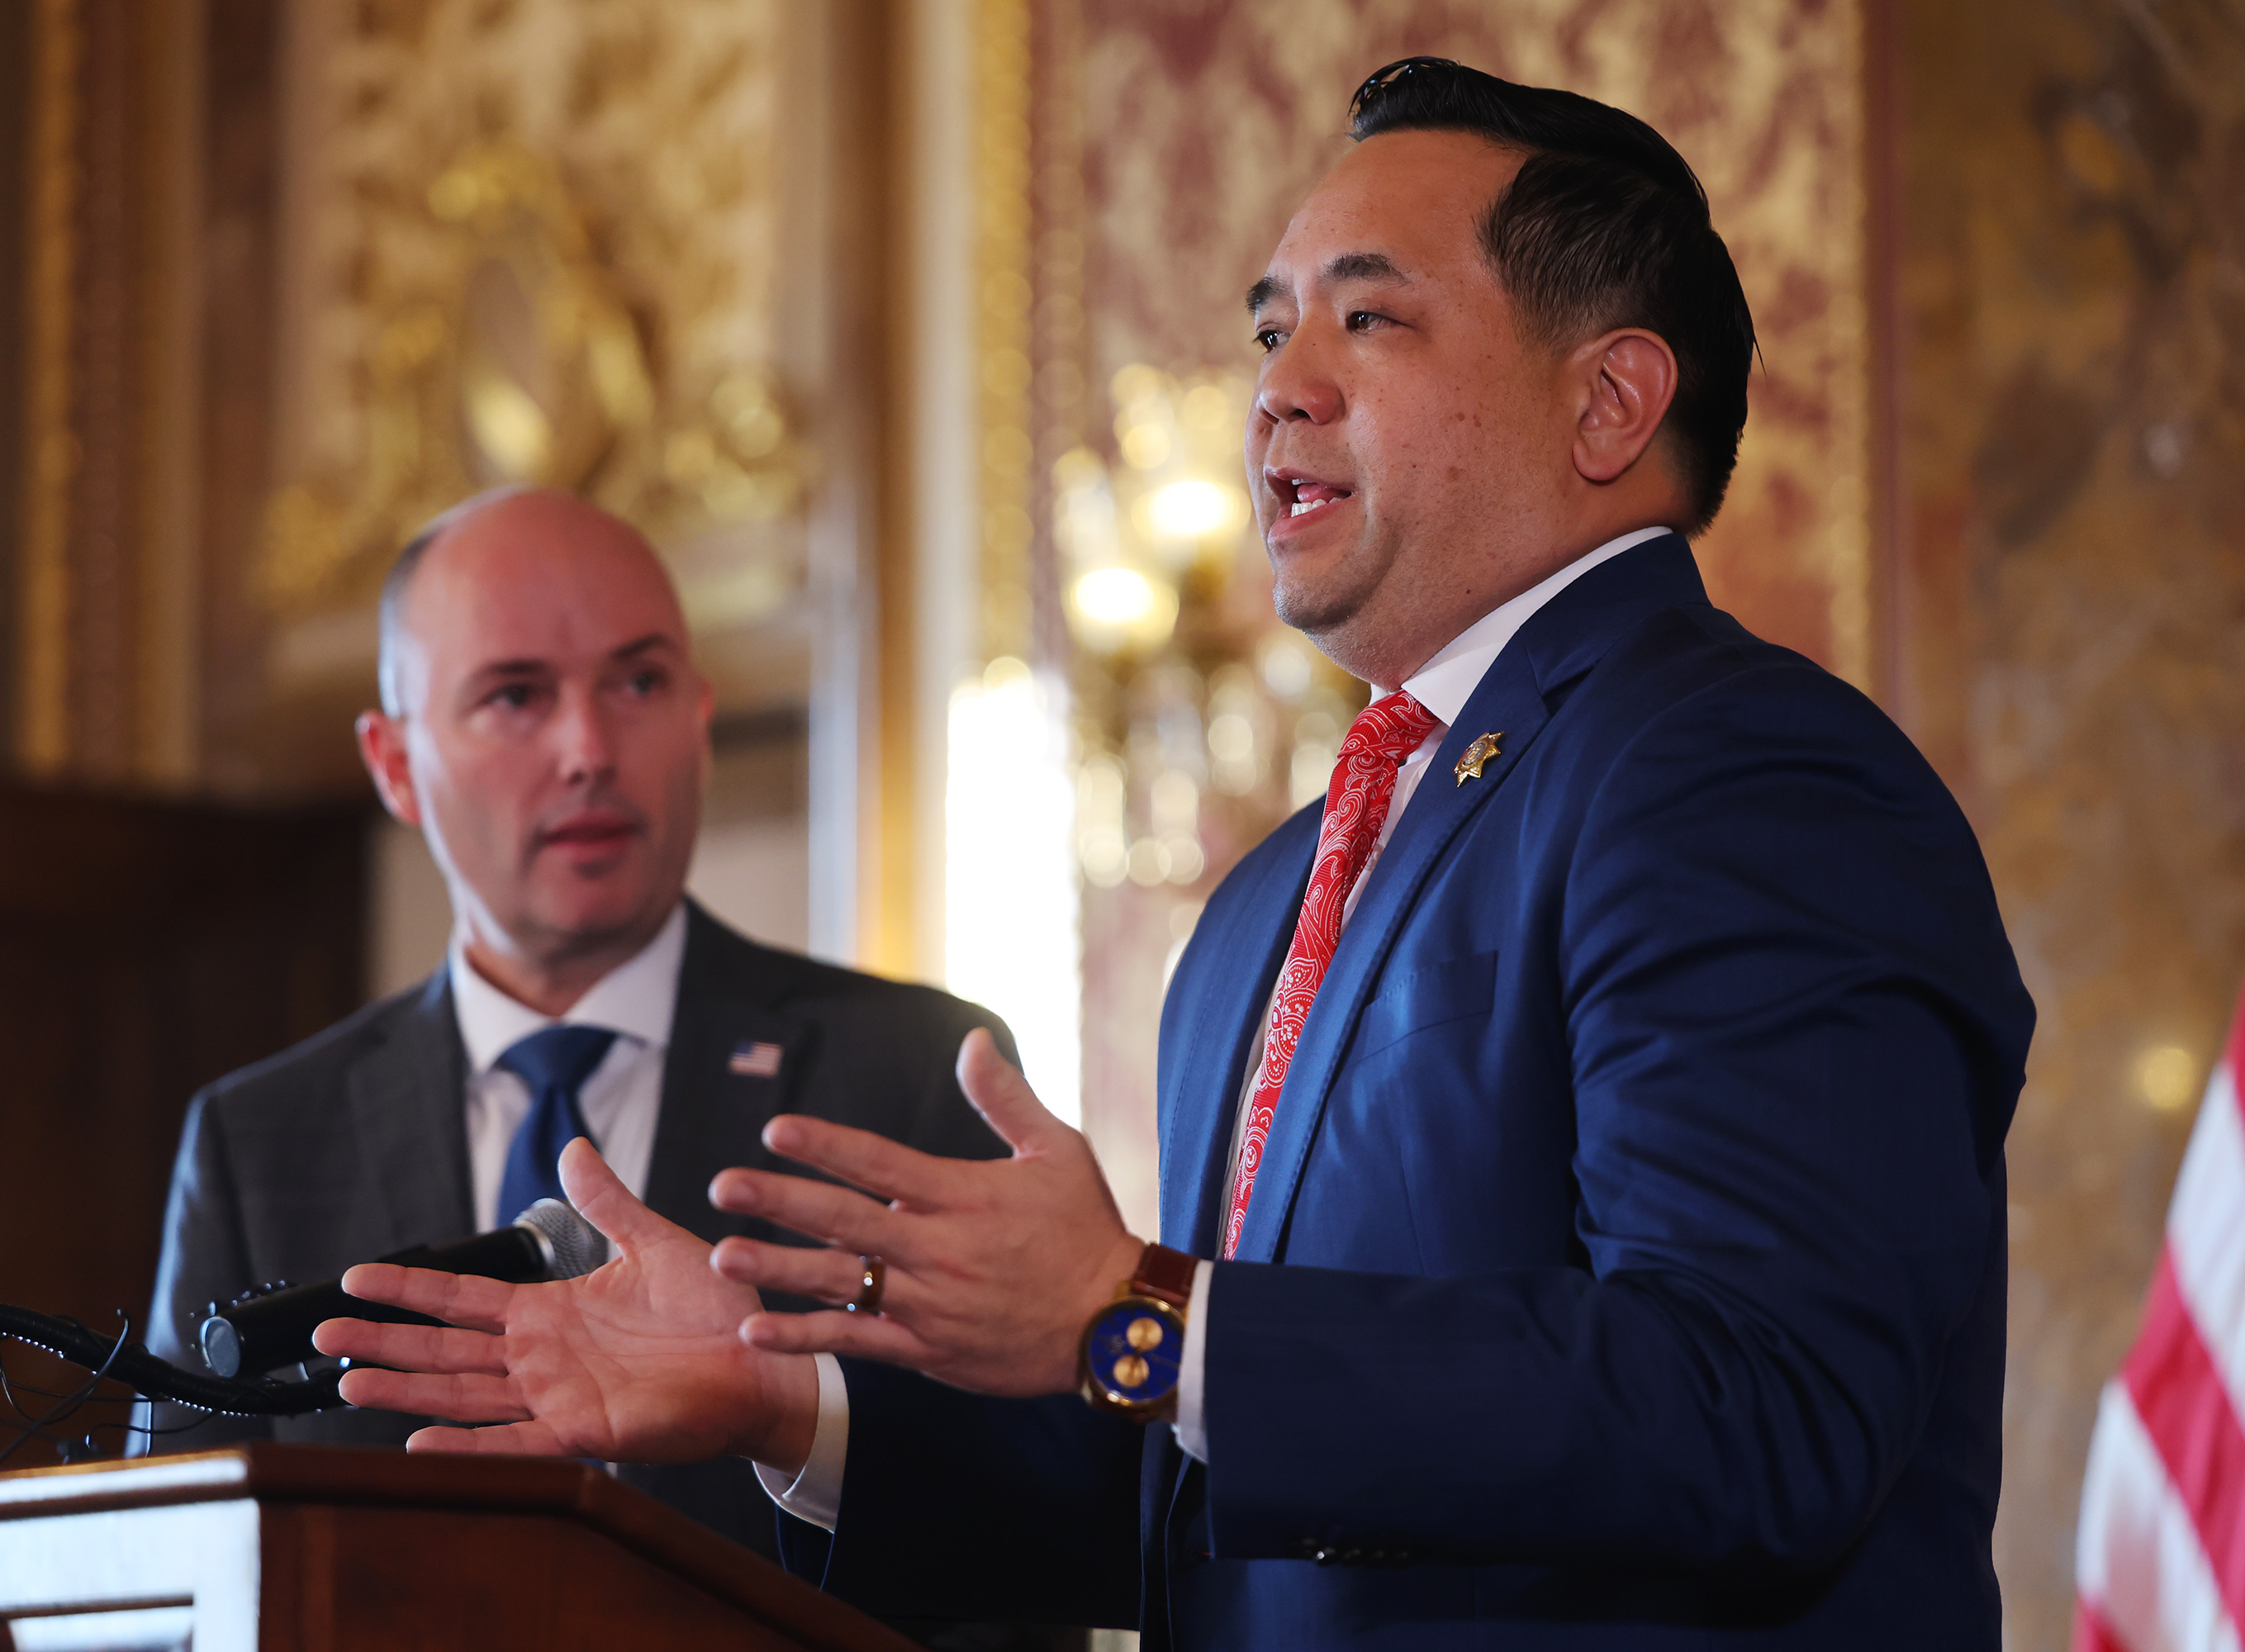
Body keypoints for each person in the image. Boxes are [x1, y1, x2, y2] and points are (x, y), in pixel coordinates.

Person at [316, 60, 2034, 1650]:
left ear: (1609, 402)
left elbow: (1756, 1408)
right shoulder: (1265, 903)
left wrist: (1142, 1309)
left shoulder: (1739, 772)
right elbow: (1204, 1501)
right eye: (1272, 328)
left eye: (1369, 320)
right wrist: (793, 1402)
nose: (1279, 391)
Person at [137, 487, 1024, 1574]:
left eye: (639, 682)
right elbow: (174, 1577)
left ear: (698, 712)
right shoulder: (261, 1140)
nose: (589, 748)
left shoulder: (916, 1075)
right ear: (396, 765)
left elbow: (1024, 1545)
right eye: (516, 696)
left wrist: (789, 1419)